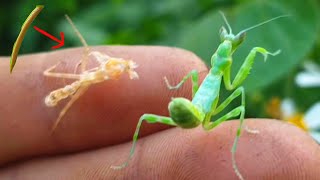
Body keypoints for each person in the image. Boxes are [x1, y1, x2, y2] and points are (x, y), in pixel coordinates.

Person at [0, 46, 319, 179]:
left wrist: (174, 87)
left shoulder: (208, 74)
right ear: (227, 55)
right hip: (190, 114)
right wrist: (173, 85)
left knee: (147, 115)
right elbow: (230, 87)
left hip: (187, 112)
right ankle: (128, 162)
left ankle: (127, 161)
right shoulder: (214, 78)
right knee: (238, 95)